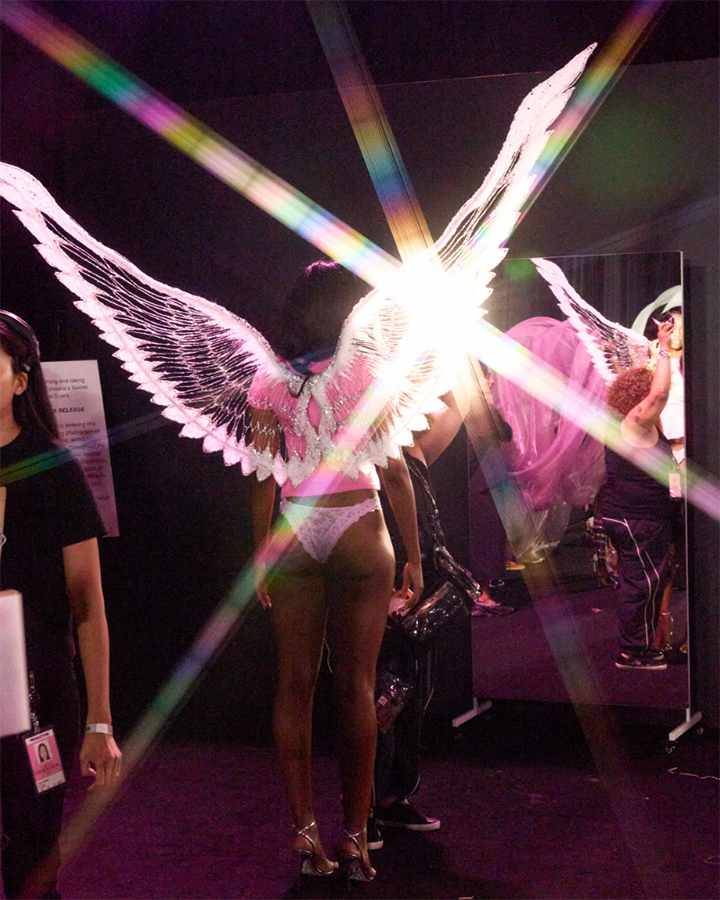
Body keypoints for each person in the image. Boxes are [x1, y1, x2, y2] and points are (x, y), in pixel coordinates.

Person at [249, 262, 424, 882]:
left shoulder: (269, 383)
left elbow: (263, 476)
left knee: (294, 684)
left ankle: (305, 834)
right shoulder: (369, 373)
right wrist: (415, 554)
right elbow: (397, 469)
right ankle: (354, 839)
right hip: (358, 525)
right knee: (357, 683)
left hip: (295, 524)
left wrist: (261, 554)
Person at [0, 311, 122, 900]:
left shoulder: (54, 469)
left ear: (21, 381)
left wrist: (99, 720)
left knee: (32, 847)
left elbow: (87, 603)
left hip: (40, 693)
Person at [601, 318, 681, 670]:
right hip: (638, 519)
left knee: (643, 581)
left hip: (638, 517)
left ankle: (641, 646)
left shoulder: (632, 425)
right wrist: (662, 349)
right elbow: (660, 393)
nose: (656, 399)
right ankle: (635, 651)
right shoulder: (633, 422)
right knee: (642, 584)